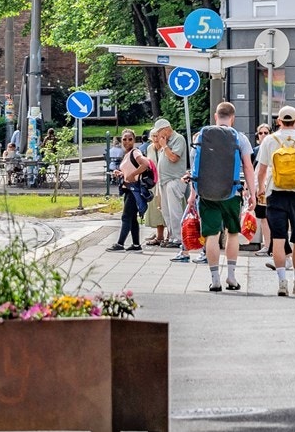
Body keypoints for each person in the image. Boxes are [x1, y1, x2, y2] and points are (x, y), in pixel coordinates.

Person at [190, 101, 256, 293]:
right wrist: (252, 194)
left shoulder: (201, 136)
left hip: (206, 193)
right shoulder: (240, 138)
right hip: (232, 193)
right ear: (233, 118)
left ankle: (215, 279)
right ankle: (232, 277)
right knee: (232, 233)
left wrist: (193, 194)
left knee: (212, 235)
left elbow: (196, 168)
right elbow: (248, 167)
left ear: (215, 116)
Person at [255, 105, 295, 296]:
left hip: (275, 193)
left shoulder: (269, 141)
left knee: (278, 238)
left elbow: (262, 170)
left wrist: (260, 191)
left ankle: (282, 281)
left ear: (279, 121)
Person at [150, 119, 191, 259]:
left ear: (166, 129)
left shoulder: (178, 139)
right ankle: (172, 236)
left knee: (174, 211)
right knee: (167, 211)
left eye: (160, 132)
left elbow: (174, 158)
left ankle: (179, 238)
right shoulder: (164, 142)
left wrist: (164, 146)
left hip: (174, 180)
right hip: (165, 181)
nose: (159, 135)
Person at [108, 130, 150, 252]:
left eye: (130, 139)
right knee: (132, 218)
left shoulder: (135, 152)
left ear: (134, 140)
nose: (127, 142)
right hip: (128, 189)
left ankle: (120, 244)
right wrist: (121, 173)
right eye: (124, 139)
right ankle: (136, 245)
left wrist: (133, 174)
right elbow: (130, 170)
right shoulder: (127, 154)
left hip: (134, 189)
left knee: (126, 216)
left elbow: (145, 164)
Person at [249, 122, 273, 251]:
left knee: (273, 217)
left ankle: (273, 245)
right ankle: (267, 244)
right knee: (263, 217)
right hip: (260, 188)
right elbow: (251, 170)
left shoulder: (274, 148)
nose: (263, 135)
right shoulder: (255, 151)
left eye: (266, 133)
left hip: (273, 186)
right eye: (261, 133)